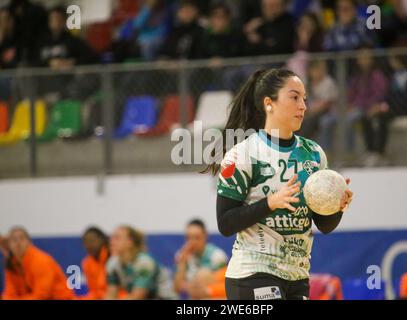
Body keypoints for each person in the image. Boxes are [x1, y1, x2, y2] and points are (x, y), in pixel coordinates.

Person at [203, 68, 353, 300]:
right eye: (294, 97)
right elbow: (225, 223)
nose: (303, 105)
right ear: (269, 103)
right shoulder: (243, 154)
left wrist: (336, 205)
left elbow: (324, 225)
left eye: (304, 98)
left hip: (297, 276)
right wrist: (270, 203)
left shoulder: (313, 154)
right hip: (253, 272)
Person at [2, 227, 74, 300]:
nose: (18, 243)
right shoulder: (11, 264)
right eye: (14, 240)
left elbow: (42, 295)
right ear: (9, 245)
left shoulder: (41, 261)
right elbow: (9, 293)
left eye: (22, 238)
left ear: (30, 243)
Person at [105, 225, 166, 300]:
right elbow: (110, 295)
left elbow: (137, 297)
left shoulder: (144, 262)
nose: (111, 241)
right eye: (111, 238)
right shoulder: (112, 263)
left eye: (117, 238)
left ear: (130, 242)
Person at [174, 219, 228, 298]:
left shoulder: (217, 256)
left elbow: (226, 285)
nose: (192, 242)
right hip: (192, 297)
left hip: (213, 296)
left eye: (196, 238)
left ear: (205, 236)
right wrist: (182, 264)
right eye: (188, 238)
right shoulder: (182, 255)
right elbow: (177, 289)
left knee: (203, 274)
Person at [80, 227, 110, 300]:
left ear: (102, 240)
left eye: (92, 241)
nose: (89, 245)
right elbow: (94, 292)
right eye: (86, 242)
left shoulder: (114, 258)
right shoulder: (87, 263)